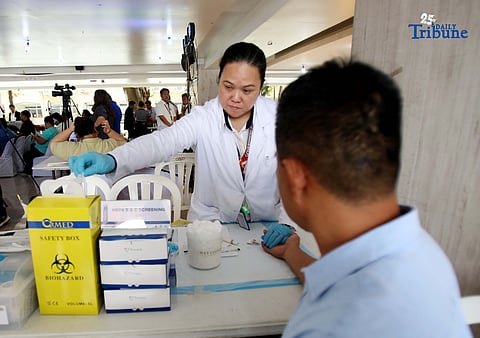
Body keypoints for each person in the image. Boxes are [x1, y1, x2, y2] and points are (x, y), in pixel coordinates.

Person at [261, 60, 471, 337]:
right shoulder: (420, 247)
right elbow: (342, 280)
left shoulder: (329, 328)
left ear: (296, 176)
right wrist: (292, 251)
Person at [69, 42, 292, 225]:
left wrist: (288, 224)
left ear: (261, 86)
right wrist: (114, 159)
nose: (235, 97)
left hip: (266, 223)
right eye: (228, 86)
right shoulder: (203, 117)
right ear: (219, 81)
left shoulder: (278, 118)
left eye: (247, 90)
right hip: (213, 224)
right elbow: (162, 142)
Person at [50, 117, 126, 161]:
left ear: (77, 135)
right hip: (105, 185)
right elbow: (124, 142)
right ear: (96, 131)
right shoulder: (107, 145)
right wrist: (109, 131)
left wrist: (70, 129)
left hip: (80, 185)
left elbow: (53, 143)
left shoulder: (72, 149)